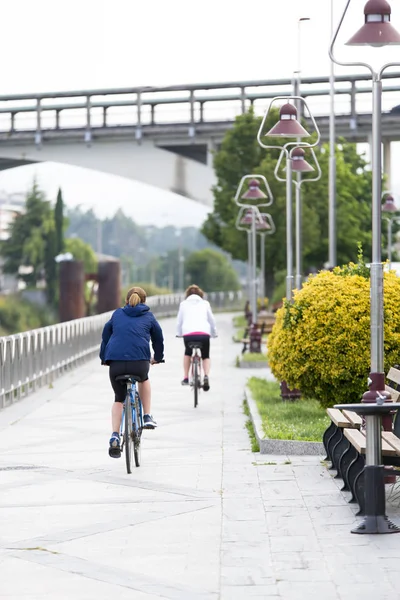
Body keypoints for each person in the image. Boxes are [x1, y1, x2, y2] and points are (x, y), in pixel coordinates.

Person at [100, 286, 164, 459]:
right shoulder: (149, 316)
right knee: (144, 379)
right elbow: (158, 337)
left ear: (126, 300)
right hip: (139, 364)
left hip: (116, 365)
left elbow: (106, 335)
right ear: (144, 301)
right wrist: (158, 357)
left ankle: (114, 435)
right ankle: (147, 415)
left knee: (118, 399)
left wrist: (104, 357)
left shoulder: (117, 314)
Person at [176, 284, 217, 391]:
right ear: (201, 295)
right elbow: (211, 320)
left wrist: (179, 333)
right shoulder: (205, 304)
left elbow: (179, 322)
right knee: (205, 355)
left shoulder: (183, 304)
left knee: (187, 352)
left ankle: (186, 377)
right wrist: (214, 333)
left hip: (188, 334)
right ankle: (206, 376)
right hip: (204, 334)